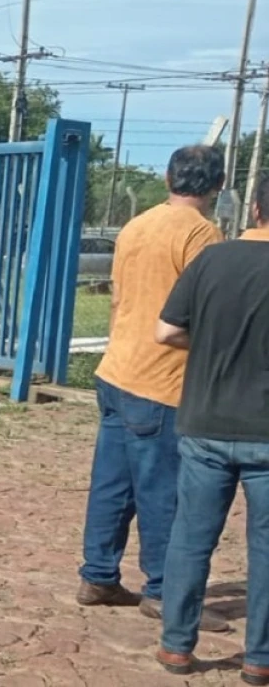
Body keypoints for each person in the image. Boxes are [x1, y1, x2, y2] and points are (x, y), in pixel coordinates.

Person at [78, 144, 229, 626]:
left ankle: (98, 573)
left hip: (118, 364)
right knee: (163, 488)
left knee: (112, 481)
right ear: (216, 186)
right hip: (163, 375)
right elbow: (204, 308)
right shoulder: (202, 234)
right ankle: (164, 588)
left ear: (169, 179)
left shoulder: (136, 225)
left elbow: (121, 294)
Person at [153, 176, 269, 684]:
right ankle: (258, 658)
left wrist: (208, 352)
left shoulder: (211, 259)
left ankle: (177, 646)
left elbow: (166, 330)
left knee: (192, 538)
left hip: (204, 419)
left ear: (255, 206)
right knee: (264, 547)